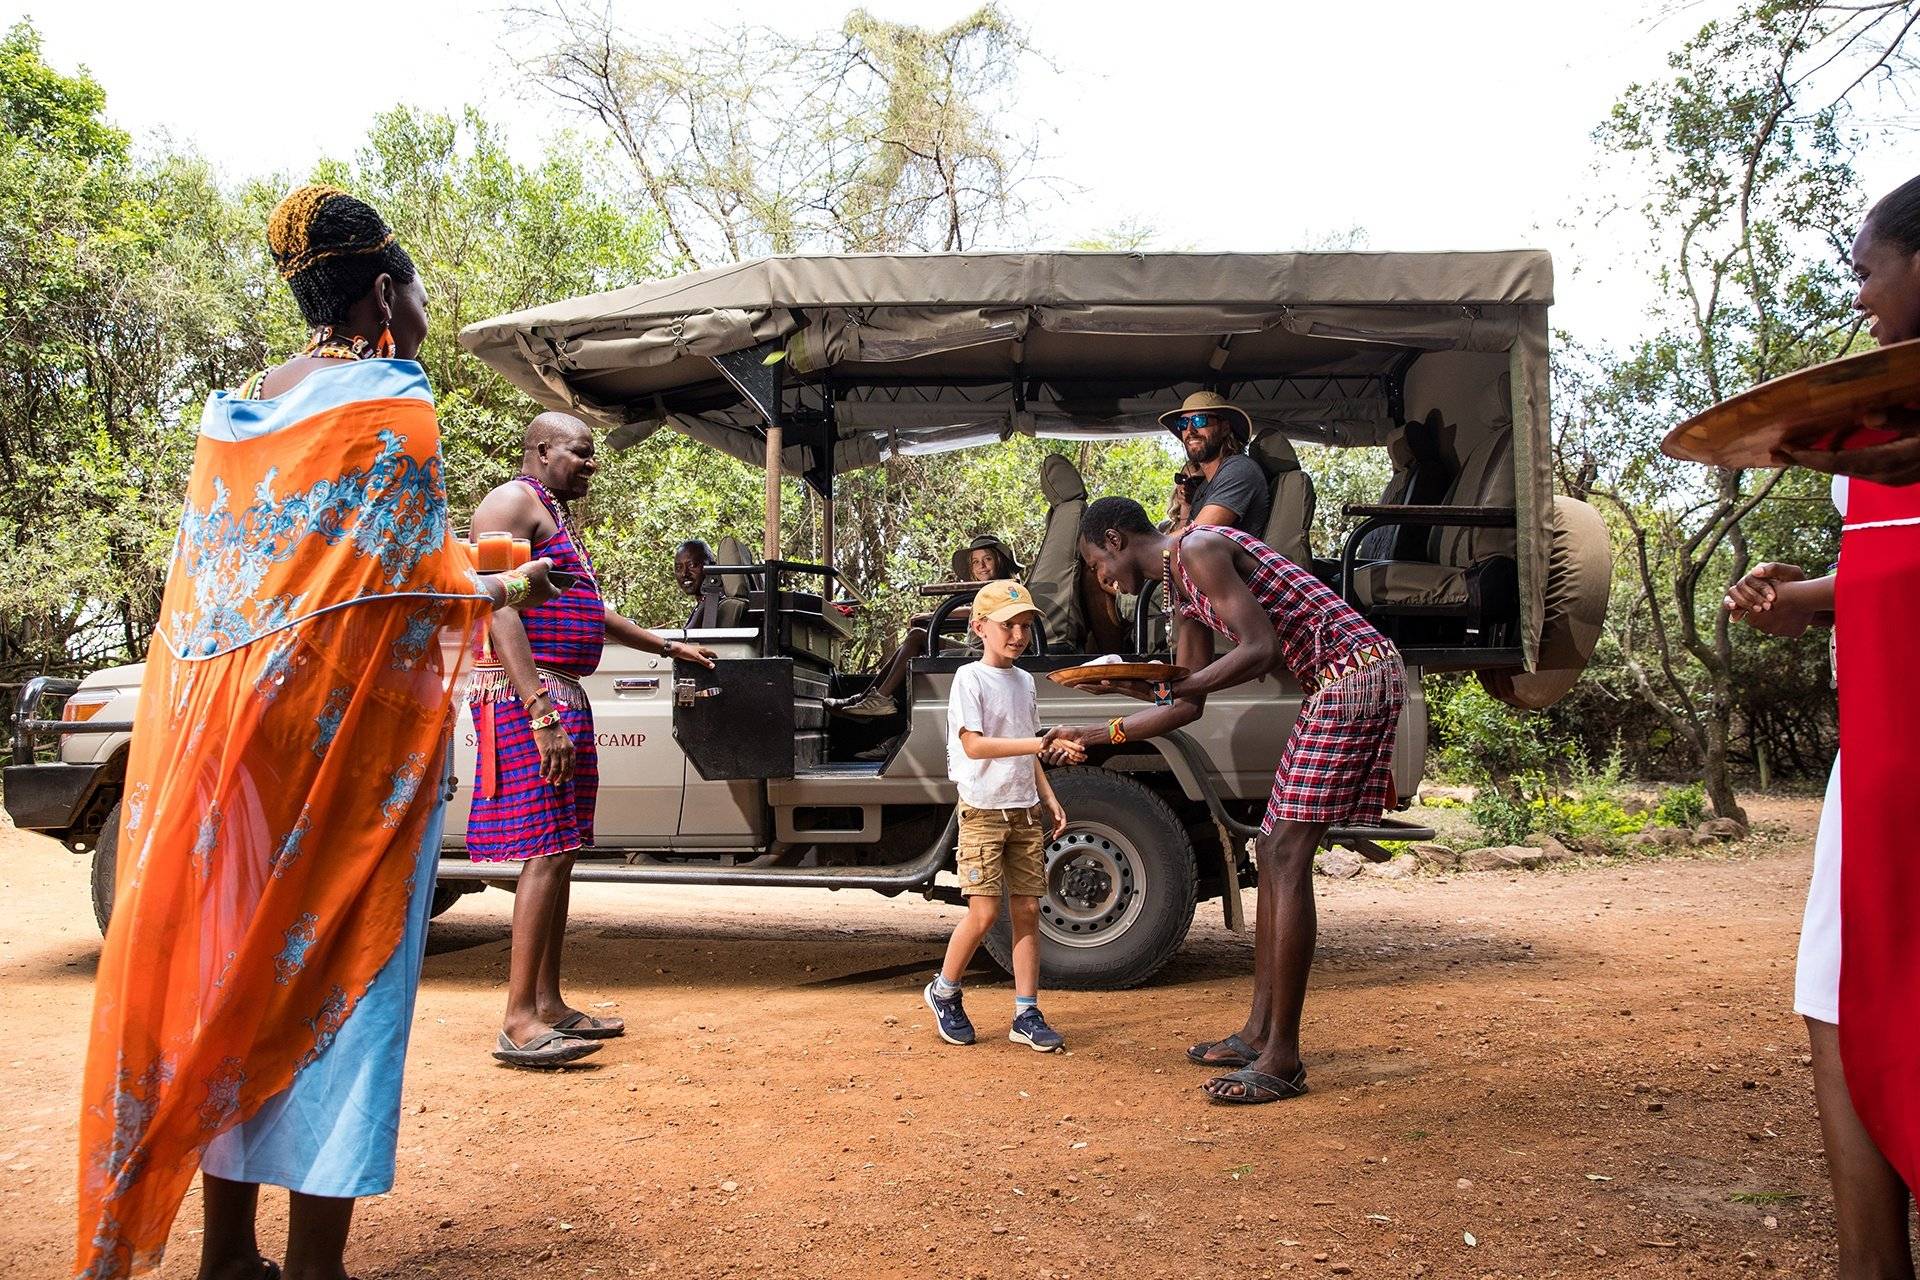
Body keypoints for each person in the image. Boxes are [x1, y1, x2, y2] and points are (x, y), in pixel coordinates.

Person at [73, 185, 565, 1280]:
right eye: (418, 282)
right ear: (385, 288)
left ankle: (226, 1256)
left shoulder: (231, 410)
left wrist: (467, 574)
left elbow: (250, 585)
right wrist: (511, 579)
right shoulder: (392, 399)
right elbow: (403, 591)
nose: (426, 303)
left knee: (231, 976)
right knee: (339, 979)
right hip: (342, 754)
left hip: (226, 749)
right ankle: (314, 1264)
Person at [1725, 173, 1920, 1277]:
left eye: (1865, 271)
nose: (1859, 299)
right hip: (1881, 741)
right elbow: (1895, 563)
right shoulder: (1878, 438)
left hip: (1907, 752)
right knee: (1837, 993)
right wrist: (1808, 597)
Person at [1053, 497, 1404, 1105]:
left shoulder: (1197, 548)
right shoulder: (1179, 594)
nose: (1101, 580)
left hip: (1358, 674)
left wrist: (1171, 682)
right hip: (1331, 684)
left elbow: (1260, 649)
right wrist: (1100, 732)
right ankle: (1257, 1034)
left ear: (1113, 537)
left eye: (1094, 563)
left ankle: (1282, 1060)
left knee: (1287, 855)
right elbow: (1186, 705)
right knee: (1272, 851)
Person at [467, 414, 718, 1069]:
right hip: (534, 695)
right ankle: (518, 1020)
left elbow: (588, 610)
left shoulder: (552, 513)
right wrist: (538, 711)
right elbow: (497, 606)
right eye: (580, 453)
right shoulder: (509, 502)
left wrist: (667, 643)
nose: (590, 464)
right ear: (542, 450)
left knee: (564, 849)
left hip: (562, 691)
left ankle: (548, 1003)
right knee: (545, 851)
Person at [922, 580, 1081, 1052]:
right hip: (984, 811)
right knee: (986, 911)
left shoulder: (1024, 681)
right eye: (1007, 625)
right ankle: (945, 991)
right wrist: (1042, 742)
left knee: (1029, 909)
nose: (1017, 634)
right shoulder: (969, 679)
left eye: (1025, 626)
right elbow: (974, 745)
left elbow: (1025, 744)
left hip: (1023, 809)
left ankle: (1026, 1013)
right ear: (979, 627)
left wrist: (1047, 795)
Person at [829, 534, 1022, 720]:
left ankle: (878, 698)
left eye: (987, 559)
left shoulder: (1008, 589)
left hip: (986, 653)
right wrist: (930, 616)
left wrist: (938, 615)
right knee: (916, 636)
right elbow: (974, 610)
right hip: (975, 649)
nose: (981, 566)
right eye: (975, 561)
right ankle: (868, 698)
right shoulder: (988, 591)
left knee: (917, 637)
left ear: (1000, 561)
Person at [1162, 391, 1269, 536]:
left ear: (1224, 428)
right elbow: (1185, 535)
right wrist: (1186, 505)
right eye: (1183, 423)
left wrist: (1146, 548)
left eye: (1199, 420)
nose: (1190, 430)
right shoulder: (1205, 486)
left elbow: (1195, 535)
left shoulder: (1239, 468)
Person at [673, 538, 722, 627]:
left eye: (692, 565)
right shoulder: (702, 606)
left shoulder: (714, 606)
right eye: (679, 568)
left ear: (712, 566)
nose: (684, 573)